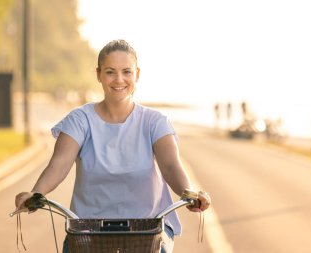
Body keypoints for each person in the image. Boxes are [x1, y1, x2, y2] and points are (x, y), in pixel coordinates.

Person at [14, 39, 211, 253]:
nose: (119, 80)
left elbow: (171, 166)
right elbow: (59, 165)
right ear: (98, 74)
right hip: (89, 231)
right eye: (110, 72)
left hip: (147, 230)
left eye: (127, 71)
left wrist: (189, 193)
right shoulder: (80, 120)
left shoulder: (154, 121)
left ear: (137, 74)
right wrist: (36, 193)